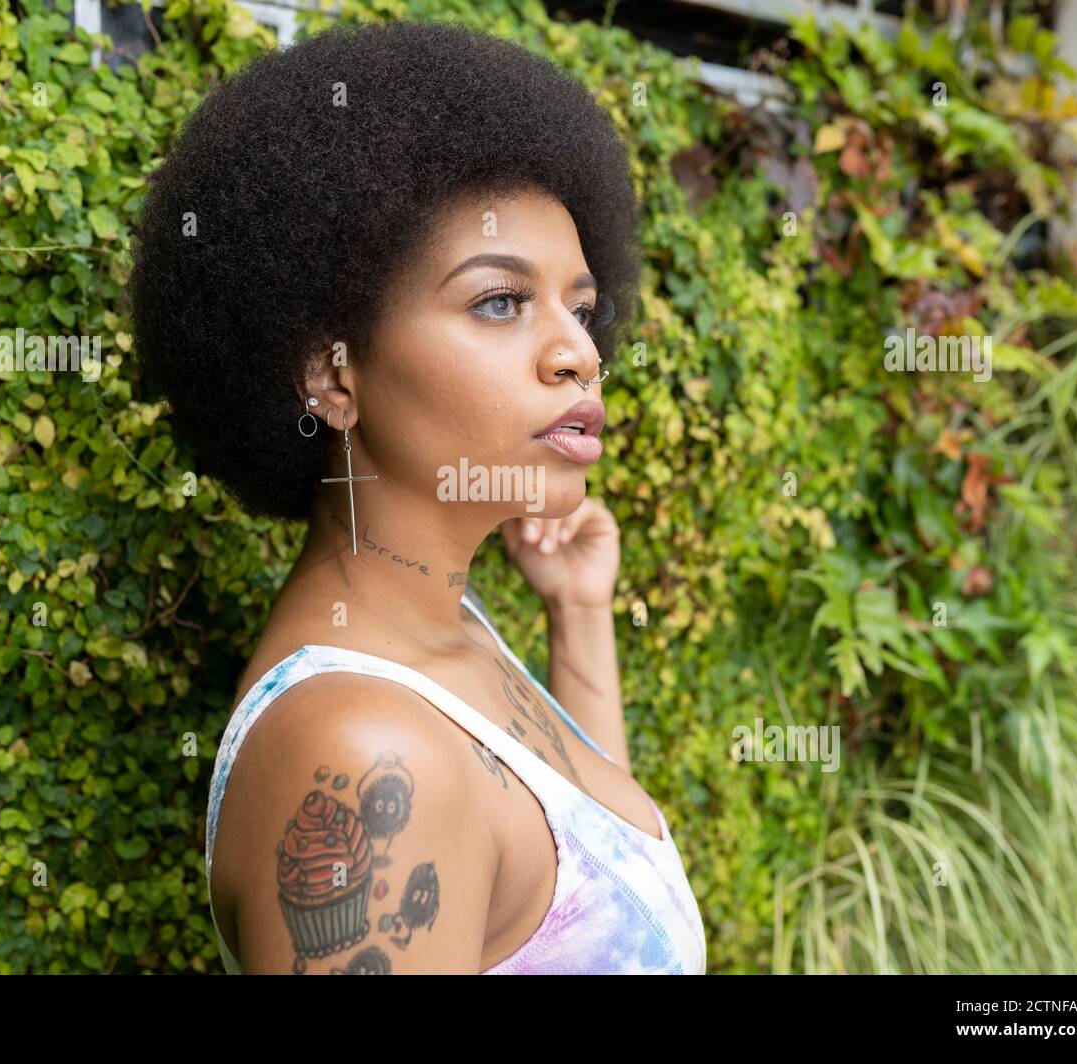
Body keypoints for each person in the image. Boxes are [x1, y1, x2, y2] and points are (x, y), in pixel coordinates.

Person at [130, 18, 706, 974]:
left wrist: (578, 614)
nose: (581, 353)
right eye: (498, 300)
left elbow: (599, 891)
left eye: (579, 304)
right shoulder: (363, 749)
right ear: (334, 377)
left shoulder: (449, 629)